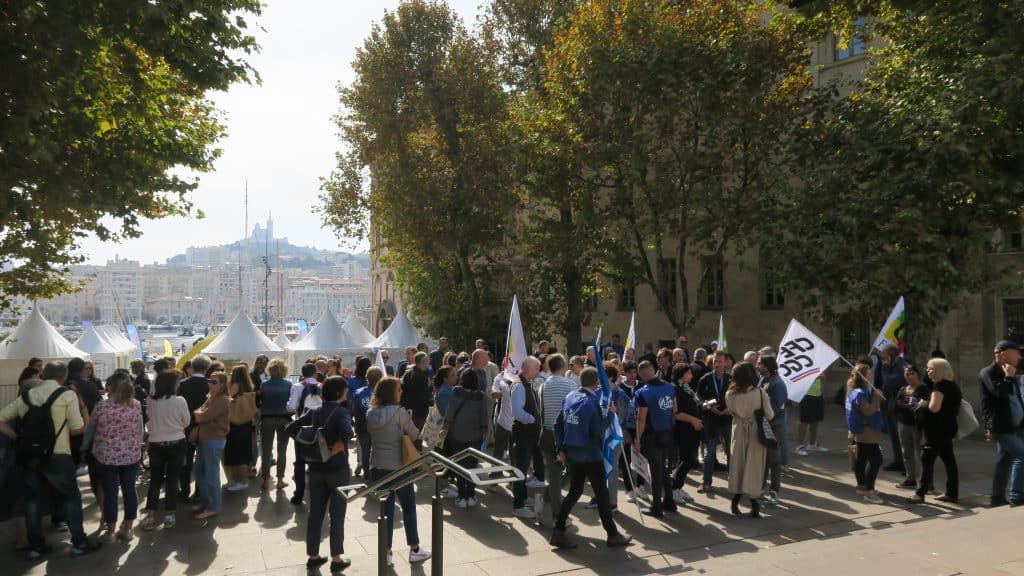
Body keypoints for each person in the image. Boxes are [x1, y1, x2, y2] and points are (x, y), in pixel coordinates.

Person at [0, 362, 100, 559]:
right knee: (71, 497)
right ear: (63, 377)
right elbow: (76, 428)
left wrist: (17, 438)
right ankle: (79, 542)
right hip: (58, 454)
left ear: (44, 375)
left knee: (32, 499)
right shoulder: (66, 394)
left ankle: (36, 546)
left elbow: (1, 419)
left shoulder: (28, 395)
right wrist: (82, 408)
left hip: (30, 456)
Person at [549, 367, 632, 550]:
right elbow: (597, 432)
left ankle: (559, 530)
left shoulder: (570, 396)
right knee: (602, 494)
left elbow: (557, 424)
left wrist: (561, 449)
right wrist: (610, 414)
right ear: (596, 384)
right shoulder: (594, 402)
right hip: (591, 455)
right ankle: (612, 534)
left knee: (575, 491)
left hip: (572, 453)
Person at [285, 376, 353, 572]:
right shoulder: (341, 412)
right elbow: (348, 433)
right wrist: (337, 445)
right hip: (337, 469)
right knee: (337, 514)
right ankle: (336, 558)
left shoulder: (314, 412)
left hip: (315, 469)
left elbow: (291, 428)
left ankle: (313, 556)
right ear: (340, 392)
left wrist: (309, 445)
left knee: (315, 513)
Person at [366, 377, 431, 566]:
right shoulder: (400, 413)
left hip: (378, 465)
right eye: (399, 389)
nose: (401, 392)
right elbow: (415, 434)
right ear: (391, 392)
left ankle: (386, 552)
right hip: (399, 467)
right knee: (409, 507)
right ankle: (415, 549)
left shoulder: (370, 413)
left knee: (386, 511)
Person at [89, 372, 143, 542]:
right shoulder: (136, 404)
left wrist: (85, 448)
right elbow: (139, 428)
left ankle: (110, 530)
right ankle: (127, 528)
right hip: (131, 455)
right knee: (129, 489)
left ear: (110, 386)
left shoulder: (101, 406)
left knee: (110, 492)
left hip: (107, 456)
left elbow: (91, 428)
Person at [140, 371, 190, 530]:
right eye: (177, 382)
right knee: (172, 479)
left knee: (155, 479)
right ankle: (170, 514)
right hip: (176, 442)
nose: (179, 385)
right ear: (171, 384)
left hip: (156, 444)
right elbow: (186, 421)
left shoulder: (150, 400)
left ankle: (150, 515)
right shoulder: (180, 400)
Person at [908, 358, 962, 504]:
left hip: (936, 430)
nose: (928, 371)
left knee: (927, 459)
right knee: (949, 460)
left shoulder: (939, 386)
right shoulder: (953, 386)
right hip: (948, 428)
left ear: (939, 370)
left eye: (931, 369)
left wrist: (923, 403)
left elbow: (934, 408)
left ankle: (920, 492)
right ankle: (952, 493)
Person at [724, 362, 773, 519]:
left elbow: (731, 411)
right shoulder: (760, 393)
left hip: (738, 430)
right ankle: (753, 502)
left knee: (737, 464)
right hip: (755, 432)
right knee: (753, 466)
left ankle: (735, 499)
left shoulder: (729, 394)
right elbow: (770, 414)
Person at [979, 340, 1024, 507]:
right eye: (1016, 352)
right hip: (1001, 426)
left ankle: (997, 498)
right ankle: (1017, 495)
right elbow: (999, 395)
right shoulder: (988, 372)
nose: (1019, 356)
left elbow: (1016, 399)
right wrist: (1007, 377)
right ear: (1003, 354)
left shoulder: (1011, 372)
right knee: (1022, 456)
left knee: (1004, 462)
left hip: (1015, 425)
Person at [634, 360, 677, 517]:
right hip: (668, 432)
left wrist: (637, 439)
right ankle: (670, 501)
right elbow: (675, 409)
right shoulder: (669, 387)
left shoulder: (643, 392)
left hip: (652, 435)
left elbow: (641, 419)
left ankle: (657, 507)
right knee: (663, 469)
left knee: (656, 471)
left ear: (641, 375)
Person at [537, 355, 575, 521]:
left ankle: (546, 499)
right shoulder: (571, 384)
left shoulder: (542, 386)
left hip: (547, 434)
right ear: (562, 366)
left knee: (555, 475)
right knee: (564, 474)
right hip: (565, 434)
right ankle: (557, 515)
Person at [444, 369, 489, 508]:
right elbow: (484, 418)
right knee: (472, 466)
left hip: (457, 435)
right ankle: (471, 495)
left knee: (459, 466)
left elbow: (449, 412)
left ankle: (462, 496)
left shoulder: (456, 392)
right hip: (475, 437)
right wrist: (485, 434)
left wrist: (445, 427)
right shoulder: (481, 396)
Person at [846, 363, 886, 504]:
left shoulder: (858, 391)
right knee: (876, 459)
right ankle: (869, 490)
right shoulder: (861, 393)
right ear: (862, 377)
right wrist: (877, 398)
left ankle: (862, 485)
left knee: (861, 458)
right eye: (869, 373)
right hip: (866, 432)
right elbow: (868, 411)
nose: (872, 375)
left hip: (862, 430)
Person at [192, 371, 230, 519]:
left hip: (214, 440)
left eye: (214, 382)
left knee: (211, 474)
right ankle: (207, 502)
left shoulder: (222, 400)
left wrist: (200, 414)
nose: (210, 384)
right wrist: (199, 414)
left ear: (222, 384)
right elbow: (198, 414)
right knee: (200, 471)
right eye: (209, 381)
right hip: (205, 439)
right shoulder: (211, 397)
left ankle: (214, 506)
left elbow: (202, 416)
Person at [510, 357, 543, 519]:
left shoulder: (525, 383)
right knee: (521, 469)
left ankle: (522, 497)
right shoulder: (519, 386)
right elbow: (517, 411)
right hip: (523, 434)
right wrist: (533, 420)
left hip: (528, 434)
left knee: (523, 468)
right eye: (536, 368)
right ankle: (518, 505)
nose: (538, 371)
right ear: (527, 368)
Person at [697, 351, 732, 493]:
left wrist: (730, 408)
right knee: (710, 452)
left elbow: (737, 396)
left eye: (720, 361)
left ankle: (734, 481)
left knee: (731, 451)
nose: (717, 364)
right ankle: (706, 482)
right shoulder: (705, 378)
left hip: (728, 419)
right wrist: (709, 407)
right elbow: (698, 397)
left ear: (726, 363)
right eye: (714, 361)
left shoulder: (730, 378)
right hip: (711, 421)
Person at [177, 354, 211, 500]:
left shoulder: (182, 384)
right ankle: (199, 491)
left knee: (186, 460)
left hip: (186, 425)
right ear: (206, 368)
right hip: (205, 425)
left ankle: (184, 490)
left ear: (192, 366)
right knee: (202, 460)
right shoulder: (210, 384)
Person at [288, 363, 322, 504]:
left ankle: (298, 494)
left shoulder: (297, 386)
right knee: (319, 459)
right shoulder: (322, 386)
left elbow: (291, 407)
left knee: (300, 462)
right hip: (320, 426)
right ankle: (318, 491)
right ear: (315, 373)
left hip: (301, 427)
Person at [670, 363, 702, 505]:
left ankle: (679, 486)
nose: (692, 376)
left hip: (692, 429)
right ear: (682, 374)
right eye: (689, 373)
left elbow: (694, 404)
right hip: (683, 429)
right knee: (686, 459)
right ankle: (674, 488)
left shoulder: (687, 388)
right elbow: (675, 413)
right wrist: (692, 419)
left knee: (688, 459)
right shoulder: (675, 389)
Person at [259, 359, 293, 491]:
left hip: (267, 419)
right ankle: (280, 480)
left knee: (266, 451)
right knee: (282, 451)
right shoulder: (288, 384)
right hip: (283, 419)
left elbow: (261, 400)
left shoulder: (264, 384)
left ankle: (265, 480)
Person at [894, 363, 929, 489]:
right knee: (906, 452)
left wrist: (908, 406)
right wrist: (908, 406)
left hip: (917, 426)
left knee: (920, 453)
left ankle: (925, 481)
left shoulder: (923, 389)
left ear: (917, 374)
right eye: (907, 374)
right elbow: (897, 404)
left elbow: (920, 407)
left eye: (912, 374)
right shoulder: (903, 389)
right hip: (903, 424)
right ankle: (910, 478)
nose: (909, 376)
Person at [758, 356, 788, 504]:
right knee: (763, 459)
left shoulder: (778, 384)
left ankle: (774, 490)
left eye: (759, 364)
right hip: (763, 425)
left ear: (767, 366)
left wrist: (763, 417)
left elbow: (775, 409)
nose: (757, 366)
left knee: (773, 459)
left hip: (774, 426)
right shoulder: (762, 380)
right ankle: (760, 487)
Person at [875, 344, 908, 473]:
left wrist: (884, 368)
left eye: (884, 358)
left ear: (892, 356)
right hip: (888, 405)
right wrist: (880, 365)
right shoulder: (886, 367)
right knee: (893, 436)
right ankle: (898, 460)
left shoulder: (902, 367)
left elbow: (891, 382)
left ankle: (907, 464)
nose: (883, 361)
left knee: (902, 437)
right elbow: (879, 381)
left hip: (899, 407)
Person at [224, 365, 256, 493]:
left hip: (235, 424)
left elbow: (228, 400)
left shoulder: (235, 385)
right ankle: (242, 481)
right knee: (244, 453)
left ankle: (241, 481)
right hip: (247, 424)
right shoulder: (249, 386)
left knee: (237, 454)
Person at [351, 366, 381, 479]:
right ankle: (377, 476)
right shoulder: (383, 393)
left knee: (365, 451)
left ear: (367, 377)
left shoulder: (358, 393)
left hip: (362, 427)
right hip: (379, 427)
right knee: (378, 451)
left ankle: (367, 476)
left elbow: (354, 410)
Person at [401, 352, 432, 451]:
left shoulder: (410, 373)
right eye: (427, 360)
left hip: (409, 410)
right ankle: (416, 462)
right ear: (423, 362)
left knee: (412, 439)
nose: (428, 362)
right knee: (416, 439)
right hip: (418, 412)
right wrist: (429, 387)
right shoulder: (418, 376)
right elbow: (422, 396)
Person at [796, 377, 827, 456]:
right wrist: (816, 376)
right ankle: (800, 446)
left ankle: (812, 444)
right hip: (806, 395)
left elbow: (823, 377)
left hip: (818, 394)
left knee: (816, 420)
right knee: (804, 421)